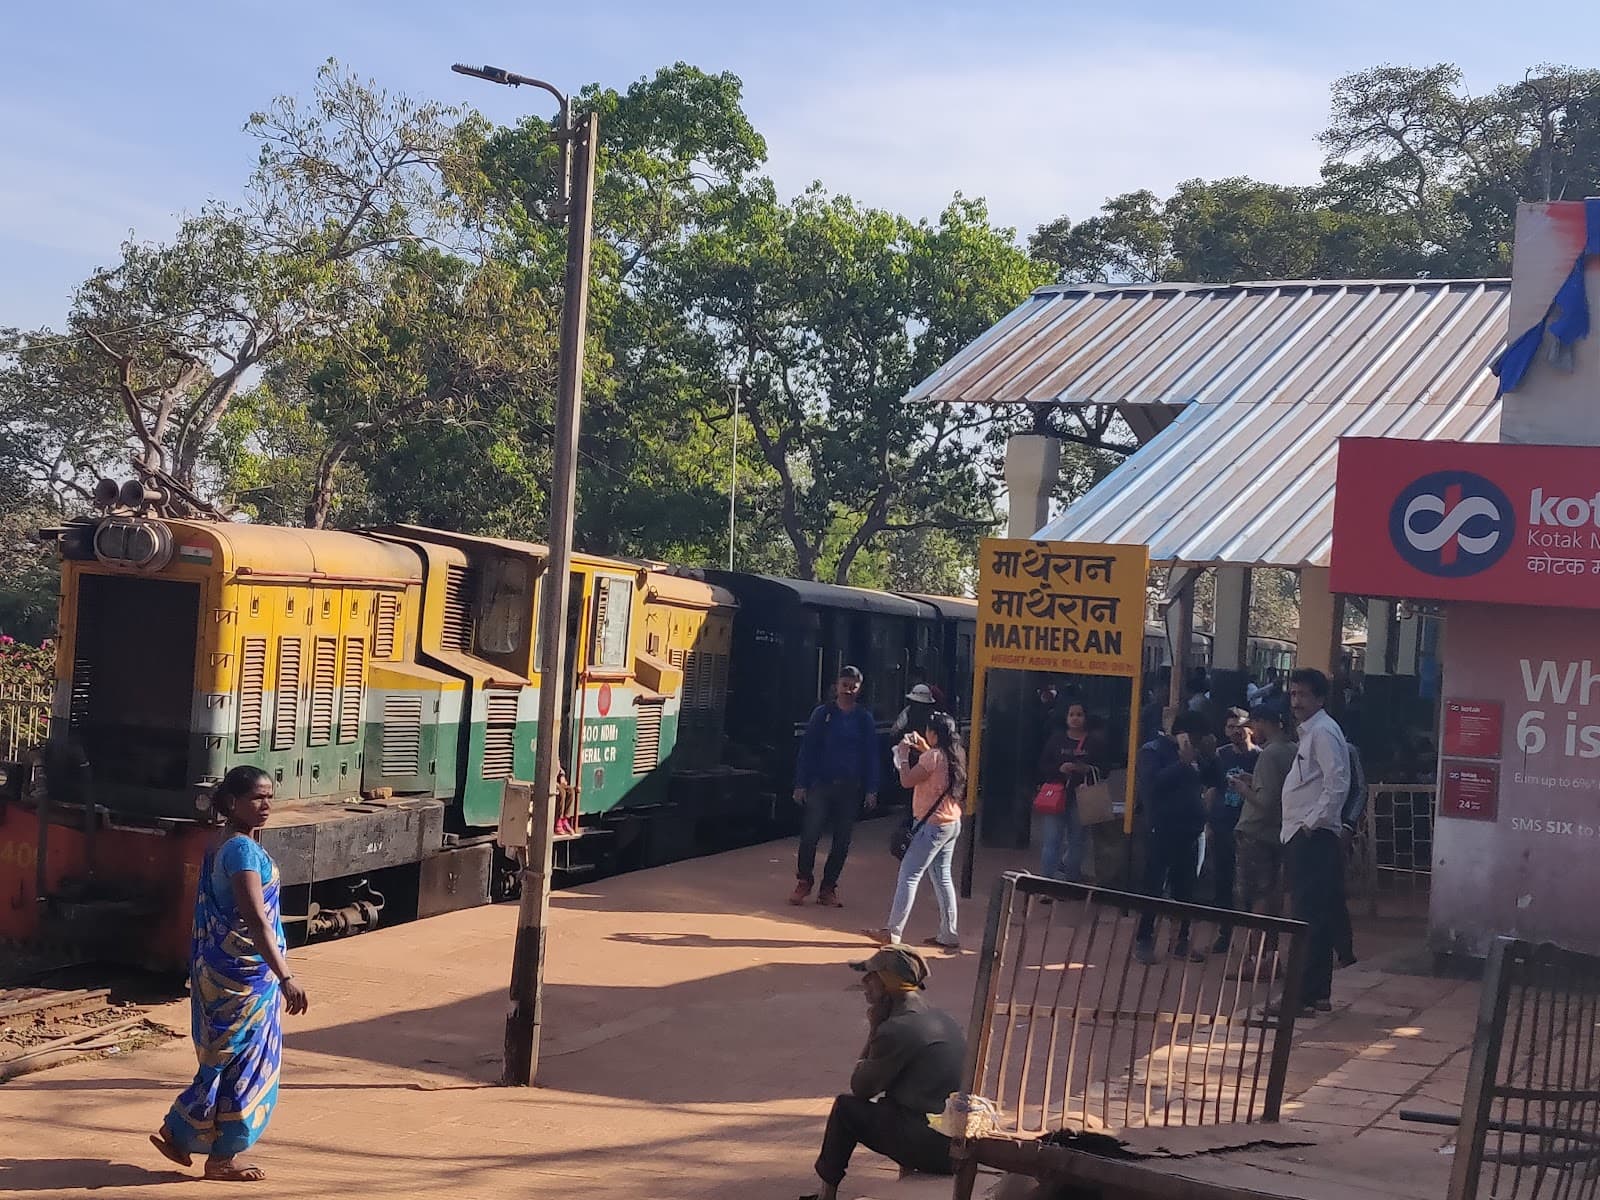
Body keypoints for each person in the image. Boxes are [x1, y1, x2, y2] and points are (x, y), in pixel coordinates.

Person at [149, 766, 309, 1182]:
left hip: (225, 971)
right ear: (232, 802)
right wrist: (286, 976)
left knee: (227, 1059)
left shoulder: (224, 843)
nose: (266, 805)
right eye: (257, 797)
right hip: (243, 978)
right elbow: (255, 920)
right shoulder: (241, 852)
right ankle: (221, 1155)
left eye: (270, 796)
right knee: (247, 1064)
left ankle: (180, 1131)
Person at [804, 946, 964, 1200]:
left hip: (932, 1148)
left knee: (845, 1109)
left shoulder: (896, 1028)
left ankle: (827, 1195)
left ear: (888, 981)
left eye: (871, 975)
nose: (864, 982)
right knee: (899, 1102)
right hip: (953, 1145)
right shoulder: (941, 1018)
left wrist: (874, 1029)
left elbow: (861, 1087)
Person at [1276, 668, 1350, 1016]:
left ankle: (1301, 995)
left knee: (1306, 917)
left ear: (1319, 698)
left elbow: (1338, 782)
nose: (1296, 702)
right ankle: (1316, 993)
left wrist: (1311, 823)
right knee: (1316, 916)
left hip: (1312, 836)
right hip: (1303, 833)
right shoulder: (1312, 733)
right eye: (1293, 695)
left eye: (1303, 695)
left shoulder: (1323, 732)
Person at [866, 713, 966, 949]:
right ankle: (948, 933)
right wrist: (923, 748)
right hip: (951, 823)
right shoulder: (955, 754)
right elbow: (937, 771)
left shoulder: (932, 757)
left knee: (909, 876)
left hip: (931, 826)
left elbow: (907, 781)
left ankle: (893, 931)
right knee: (942, 877)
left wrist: (901, 757)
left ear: (933, 734)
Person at [1132, 710, 1221, 966]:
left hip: (1190, 829)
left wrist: (1211, 756)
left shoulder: (1198, 755)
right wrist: (1182, 763)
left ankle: (1181, 940)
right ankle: (1144, 939)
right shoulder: (1153, 751)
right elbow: (1152, 784)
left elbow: (1215, 779)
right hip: (1161, 828)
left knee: (1185, 889)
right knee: (1153, 886)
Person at [792, 666, 881, 908]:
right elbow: (807, 750)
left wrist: (872, 789)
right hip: (820, 784)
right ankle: (804, 880)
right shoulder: (822, 714)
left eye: (853, 686)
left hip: (850, 788)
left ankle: (828, 888)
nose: (848, 690)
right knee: (810, 836)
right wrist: (801, 783)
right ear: (836, 685)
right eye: (845, 684)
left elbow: (872, 755)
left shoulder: (864, 719)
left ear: (859, 688)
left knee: (842, 842)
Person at [1232, 706, 1296, 973]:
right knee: (1272, 897)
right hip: (1279, 832)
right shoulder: (1293, 750)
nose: (1250, 730)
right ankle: (1270, 957)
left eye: (1254, 724)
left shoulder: (1270, 755)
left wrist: (1244, 789)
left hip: (1257, 832)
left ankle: (1255, 960)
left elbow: (1266, 801)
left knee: (1255, 898)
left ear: (1266, 723)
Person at [1034, 702, 1105, 884]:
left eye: (1079, 714)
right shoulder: (1056, 739)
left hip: (1083, 796)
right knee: (1052, 841)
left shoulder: (1094, 742)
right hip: (1057, 794)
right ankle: (1047, 882)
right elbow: (1042, 765)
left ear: (1086, 718)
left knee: (1077, 841)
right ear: (1065, 718)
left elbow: (1104, 768)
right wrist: (1060, 769)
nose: (1075, 718)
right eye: (1071, 714)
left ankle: (1071, 882)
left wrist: (1086, 769)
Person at [1209, 708, 1259, 953]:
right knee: (1223, 881)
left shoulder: (1260, 758)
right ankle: (1224, 934)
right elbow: (1211, 789)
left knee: (1251, 884)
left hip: (1250, 828)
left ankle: (1252, 940)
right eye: (1230, 727)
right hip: (1223, 824)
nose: (1235, 731)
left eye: (1239, 726)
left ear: (1251, 728)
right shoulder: (1220, 756)